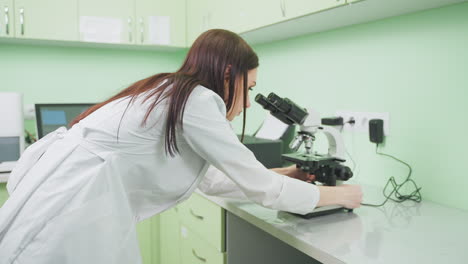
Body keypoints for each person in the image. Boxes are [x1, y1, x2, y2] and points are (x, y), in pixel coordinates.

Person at [0, 29, 362, 264]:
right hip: (68, 213)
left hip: (60, 196)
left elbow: (206, 180)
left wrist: (287, 172)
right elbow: (265, 191)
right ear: (227, 75)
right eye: (249, 88)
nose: (249, 103)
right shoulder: (199, 100)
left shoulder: (169, 89)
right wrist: (344, 196)